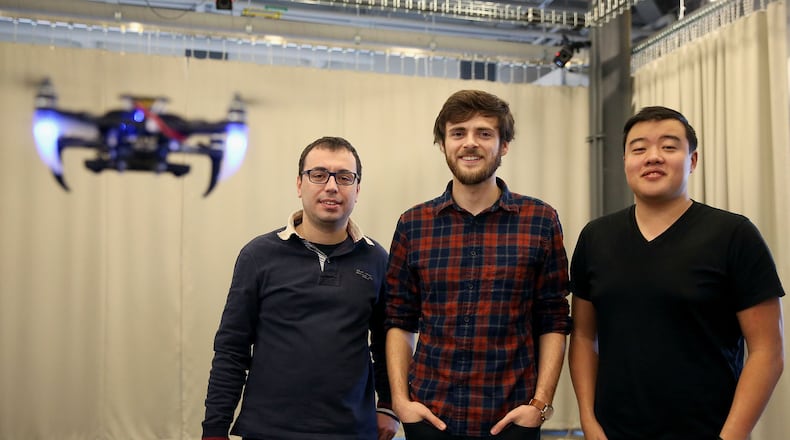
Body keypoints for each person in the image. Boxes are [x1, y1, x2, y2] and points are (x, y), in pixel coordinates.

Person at [568, 106, 785, 440]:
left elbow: (767, 350)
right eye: (639, 149)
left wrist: (731, 436)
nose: (653, 157)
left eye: (669, 147)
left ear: (692, 160)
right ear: (626, 161)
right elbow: (583, 336)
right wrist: (588, 420)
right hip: (613, 432)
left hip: (709, 430)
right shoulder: (596, 237)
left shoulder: (734, 235)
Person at [384, 89, 572, 440]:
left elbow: (554, 319)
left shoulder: (541, 220)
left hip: (512, 418)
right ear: (443, 144)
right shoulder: (413, 224)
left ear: (504, 145)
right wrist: (400, 401)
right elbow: (399, 318)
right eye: (458, 133)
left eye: (484, 133)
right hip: (430, 417)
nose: (470, 143)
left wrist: (540, 404)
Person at [201, 136, 400, 440]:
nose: (331, 186)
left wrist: (388, 406)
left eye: (345, 177)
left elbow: (387, 343)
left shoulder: (376, 259)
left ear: (357, 189)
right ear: (299, 185)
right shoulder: (258, 255)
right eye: (318, 175)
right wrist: (214, 429)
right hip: (268, 431)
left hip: (352, 431)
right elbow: (231, 349)